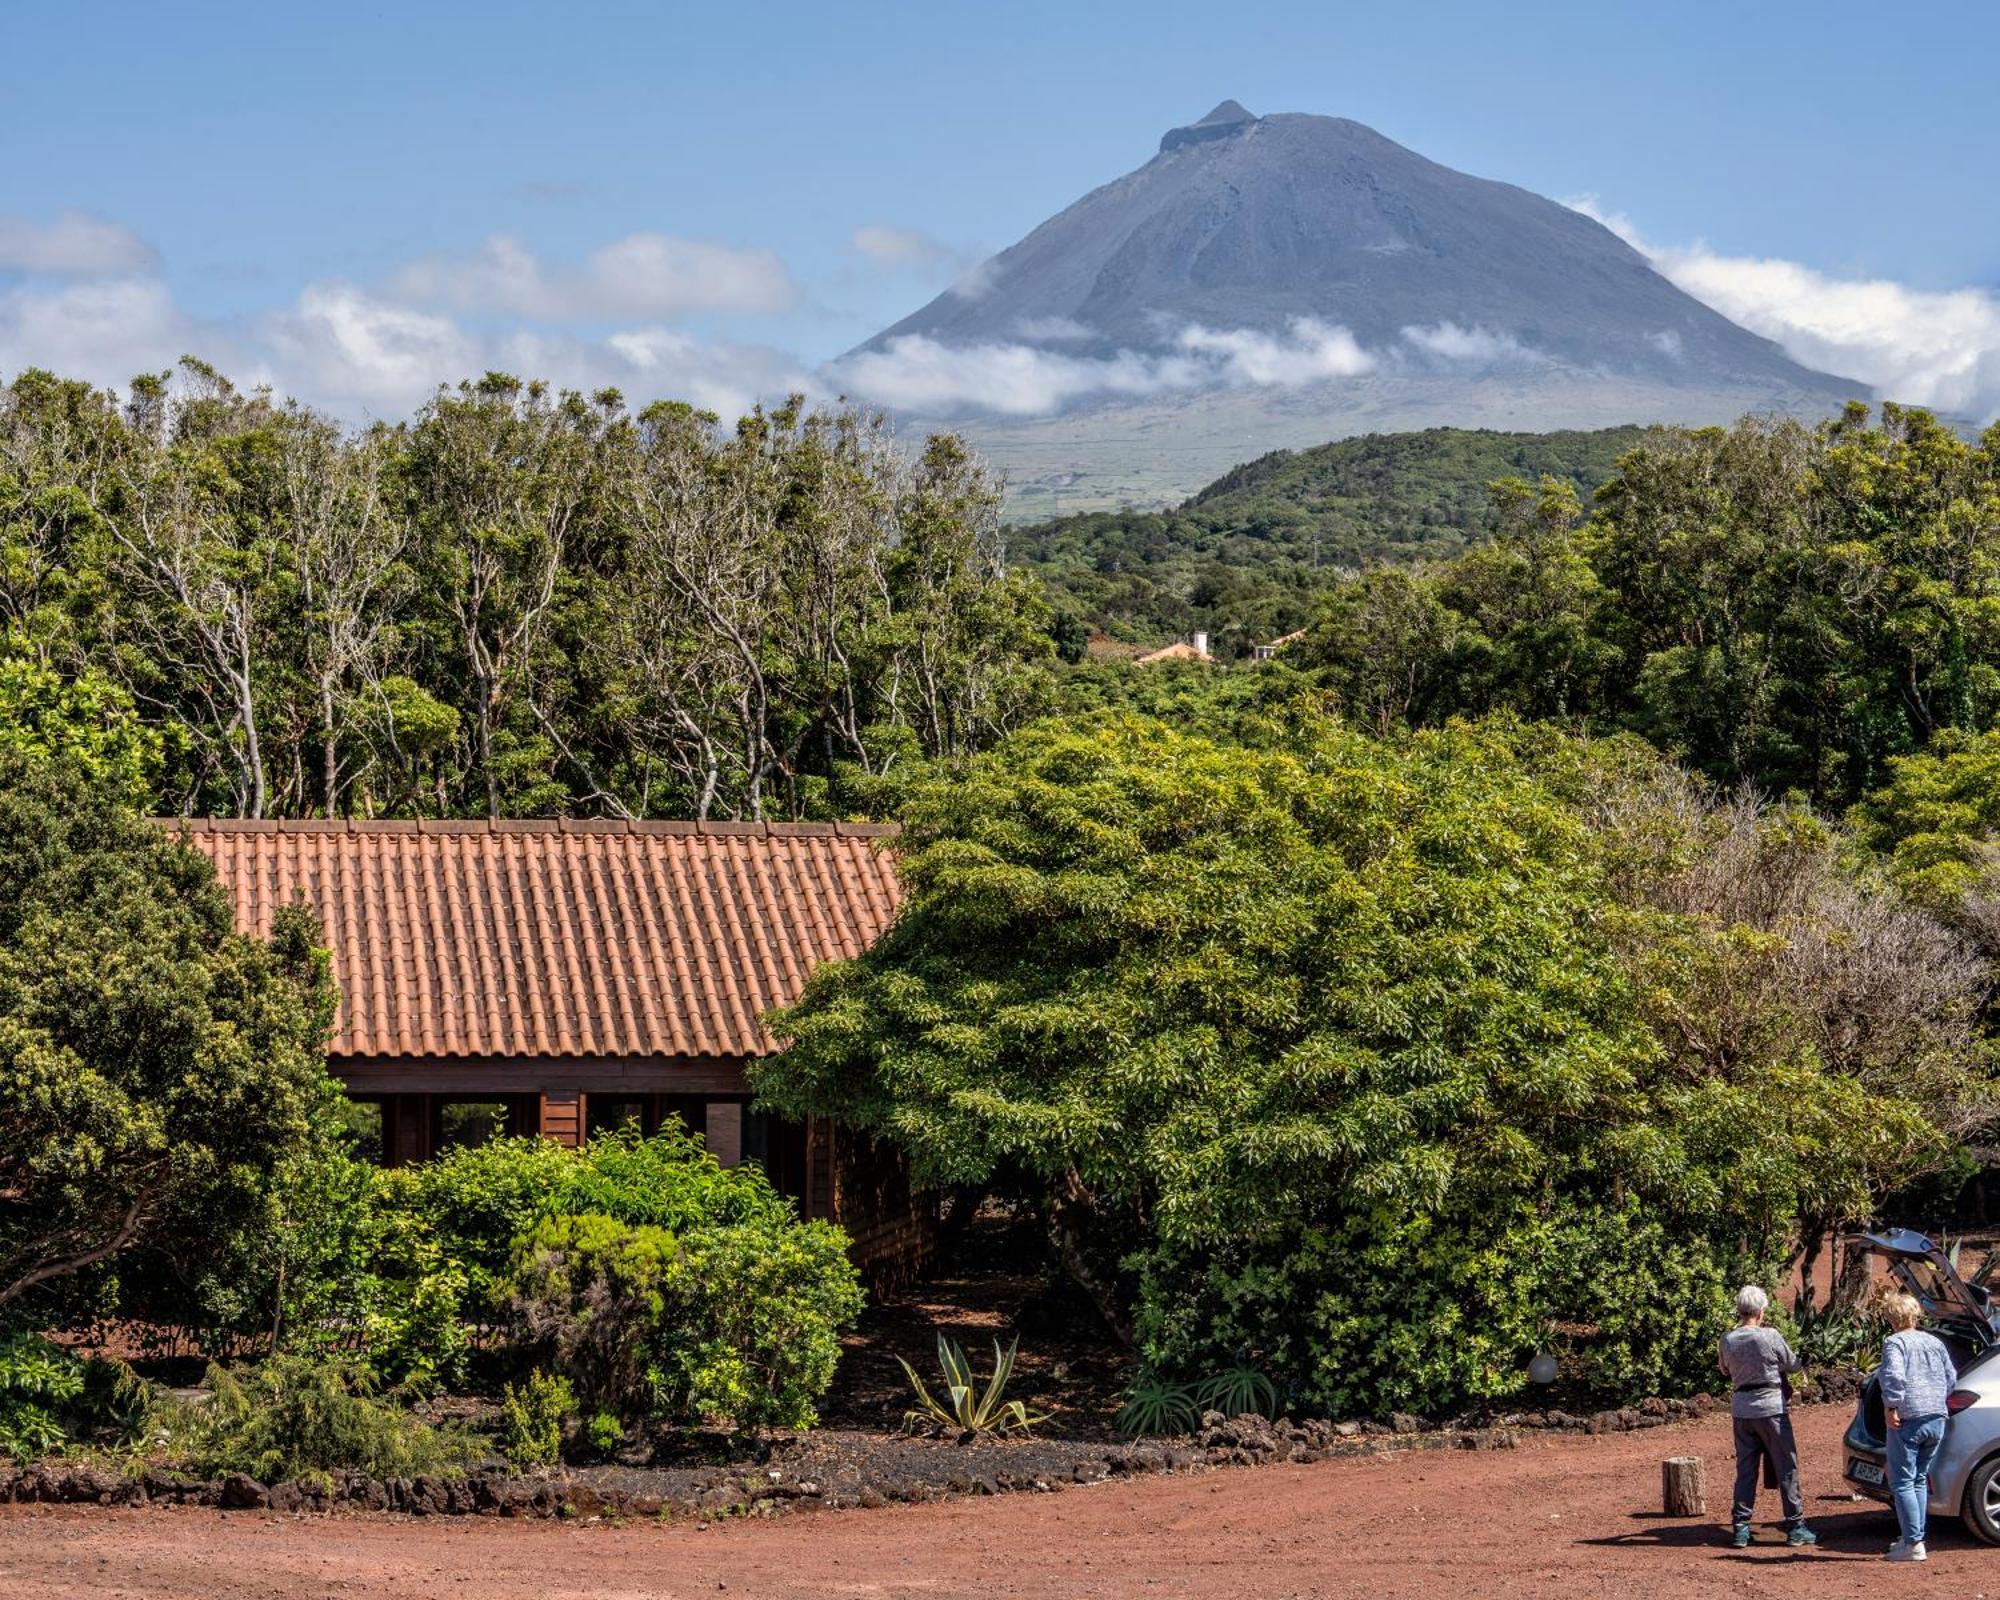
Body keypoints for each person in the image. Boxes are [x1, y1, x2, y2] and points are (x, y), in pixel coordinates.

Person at [1717, 1284, 1816, 1548]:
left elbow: (1724, 1370)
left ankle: (1741, 1527)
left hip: (1742, 1410)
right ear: (1760, 1312)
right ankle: (1795, 1526)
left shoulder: (1728, 1339)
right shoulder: (1770, 1336)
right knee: (1786, 1466)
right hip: (1771, 1409)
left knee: (1746, 1469)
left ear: (1740, 1311)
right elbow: (1792, 1363)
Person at [1878, 1289, 1958, 1563]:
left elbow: (1894, 1377)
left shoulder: (1894, 1343)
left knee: (1902, 1481)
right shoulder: (1934, 1342)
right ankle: (1913, 1536)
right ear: (1915, 1314)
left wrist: (1891, 1406)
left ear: (1891, 1317)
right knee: (1919, 1478)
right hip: (1936, 1417)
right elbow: (1951, 1378)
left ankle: (1913, 1544)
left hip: (1909, 1419)